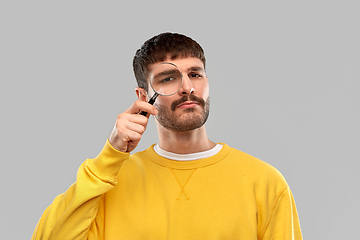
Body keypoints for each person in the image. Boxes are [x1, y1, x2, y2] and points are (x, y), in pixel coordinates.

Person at [32, 32, 302, 240]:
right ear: (142, 97)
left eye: (195, 74)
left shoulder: (265, 183)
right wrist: (109, 157)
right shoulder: (109, 183)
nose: (187, 87)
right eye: (168, 78)